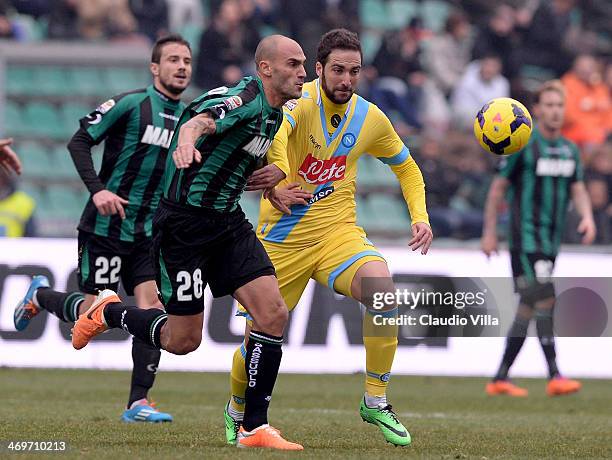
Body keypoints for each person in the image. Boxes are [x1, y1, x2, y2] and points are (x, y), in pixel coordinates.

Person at [70, 34, 307, 451]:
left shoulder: (275, 112)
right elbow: (201, 122)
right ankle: (110, 312)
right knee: (183, 341)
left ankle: (254, 428)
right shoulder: (245, 100)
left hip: (228, 222)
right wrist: (183, 143)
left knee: (272, 314)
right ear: (266, 68)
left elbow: (238, 157)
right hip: (184, 227)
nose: (303, 72)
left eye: (303, 64)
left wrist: (274, 184)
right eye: (293, 64)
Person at [225, 29, 433, 447]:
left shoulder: (369, 117)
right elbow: (278, 138)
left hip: (338, 235)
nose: (346, 79)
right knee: (257, 338)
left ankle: (375, 399)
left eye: (354, 71)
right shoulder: (298, 103)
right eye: (337, 70)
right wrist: (278, 178)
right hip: (282, 240)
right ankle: (237, 409)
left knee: (382, 290)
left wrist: (420, 217)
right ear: (318, 69)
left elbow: (407, 167)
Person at [13, 34, 193, 422]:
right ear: (154, 67)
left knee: (153, 310)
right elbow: (79, 141)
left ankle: (138, 403)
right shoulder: (130, 104)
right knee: (95, 315)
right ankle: (41, 295)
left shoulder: (191, 120)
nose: (182, 67)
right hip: (105, 229)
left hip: (147, 234)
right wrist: (98, 191)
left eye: (187, 61)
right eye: (174, 59)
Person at [481, 79, 596, 397]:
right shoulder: (523, 146)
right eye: (549, 105)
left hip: (551, 242)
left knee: (529, 305)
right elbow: (497, 189)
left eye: (559, 105)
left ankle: (500, 378)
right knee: (545, 298)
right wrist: (489, 232)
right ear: (537, 110)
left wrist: (586, 216)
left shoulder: (571, 150)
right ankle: (555, 375)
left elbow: (578, 188)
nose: (555, 111)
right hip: (525, 241)